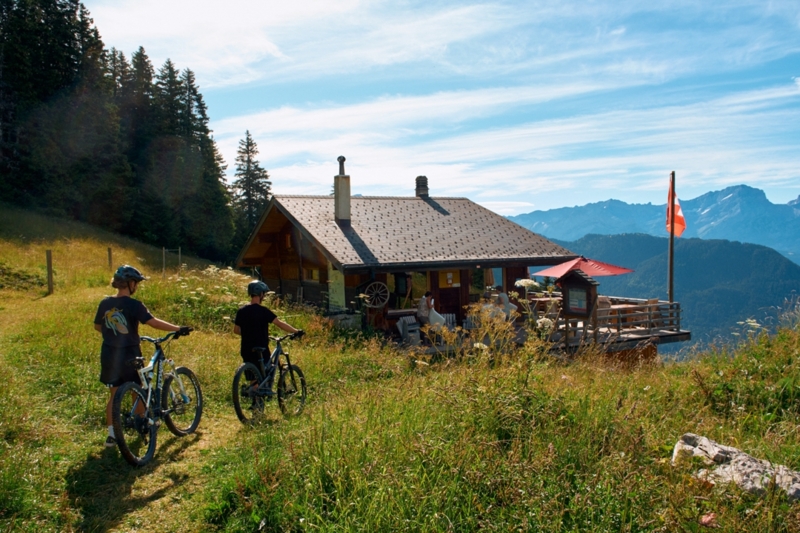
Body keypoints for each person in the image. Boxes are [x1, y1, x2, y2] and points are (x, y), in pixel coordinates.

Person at [94, 265, 190, 448]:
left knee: (114, 395)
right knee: (137, 391)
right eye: (136, 283)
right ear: (130, 284)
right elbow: (152, 322)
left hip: (108, 353)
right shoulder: (134, 305)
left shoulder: (104, 303)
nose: (136, 286)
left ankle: (112, 436)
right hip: (130, 353)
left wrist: (113, 336)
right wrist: (178, 328)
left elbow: (98, 326)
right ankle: (142, 426)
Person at [234, 281, 304, 392]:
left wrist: (249, 333)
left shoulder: (241, 311)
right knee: (268, 368)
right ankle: (267, 390)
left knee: (254, 378)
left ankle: (256, 401)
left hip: (246, 349)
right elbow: (280, 323)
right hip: (261, 349)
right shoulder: (263, 311)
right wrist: (296, 331)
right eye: (264, 294)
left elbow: (236, 330)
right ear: (260, 294)